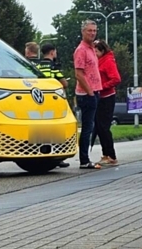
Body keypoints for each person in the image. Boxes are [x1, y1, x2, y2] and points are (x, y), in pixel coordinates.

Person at [29, 43, 70, 168]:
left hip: (39, 100)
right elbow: (64, 83)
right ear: (52, 52)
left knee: (40, 130)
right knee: (55, 131)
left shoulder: (38, 65)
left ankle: (38, 155)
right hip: (52, 101)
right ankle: (57, 158)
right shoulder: (54, 66)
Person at [73, 20, 103, 169]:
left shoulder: (91, 49)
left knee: (90, 126)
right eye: (89, 30)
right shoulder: (81, 50)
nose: (92, 33)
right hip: (86, 94)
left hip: (95, 91)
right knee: (87, 127)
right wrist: (90, 93)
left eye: (94, 30)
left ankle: (85, 158)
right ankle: (84, 160)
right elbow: (78, 74)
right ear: (83, 32)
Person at [93, 39, 120, 166]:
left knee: (104, 127)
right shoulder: (99, 60)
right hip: (100, 97)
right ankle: (105, 154)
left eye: (96, 51)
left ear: (103, 51)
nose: (94, 53)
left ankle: (111, 155)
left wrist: (102, 86)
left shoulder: (108, 61)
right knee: (99, 127)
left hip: (107, 97)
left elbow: (116, 78)